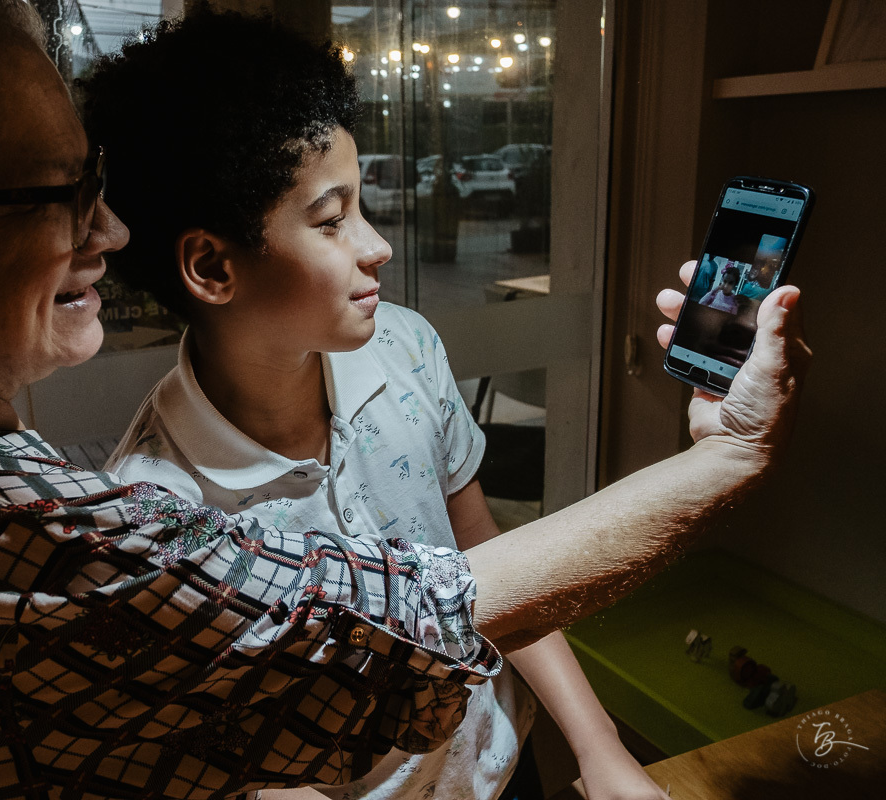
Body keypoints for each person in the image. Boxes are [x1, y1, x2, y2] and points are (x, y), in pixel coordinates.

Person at [0, 2, 809, 799]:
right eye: (58, 193)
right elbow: (395, 629)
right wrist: (722, 460)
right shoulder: (58, 523)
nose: (107, 230)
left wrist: (594, 745)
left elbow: (472, 557)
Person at [87, 12, 663, 800]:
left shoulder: (406, 348)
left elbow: (485, 563)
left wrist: (602, 752)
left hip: (498, 760)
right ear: (212, 266)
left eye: (359, 206)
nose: (376, 244)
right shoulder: (159, 507)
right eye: (331, 220)